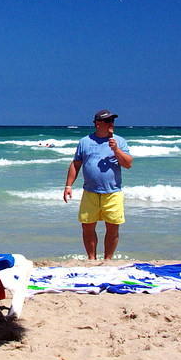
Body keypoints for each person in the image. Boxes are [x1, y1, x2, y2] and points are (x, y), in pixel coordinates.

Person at [63, 109, 133, 261]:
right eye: (108, 121)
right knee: (87, 227)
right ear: (97, 124)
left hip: (112, 193)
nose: (111, 123)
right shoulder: (85, 142)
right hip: (90, 193)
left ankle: (108, 260)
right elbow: (76, 164)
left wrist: (116, 149)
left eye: (112, 121)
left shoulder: (119, 141)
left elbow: (128, 164)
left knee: (113, 228)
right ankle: (91, 259)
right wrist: (68, 186)